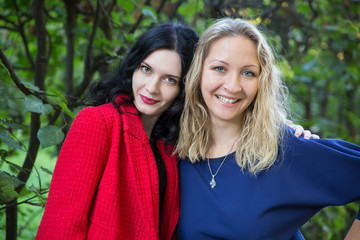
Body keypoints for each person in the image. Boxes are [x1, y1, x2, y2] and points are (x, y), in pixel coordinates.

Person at [175, 18, 360, 239]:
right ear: (198, 72)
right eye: (220, 68)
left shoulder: (285, 149)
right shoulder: (173, 145)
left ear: (261, 81)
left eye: (248, 73)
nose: (233, 86)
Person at [36, 22, 199, 240]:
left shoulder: (169, 145)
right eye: (146, 69)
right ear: (133, 67)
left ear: (184, 88)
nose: (152, 87)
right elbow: (60, 226)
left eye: (170, 79)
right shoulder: (97, 122)